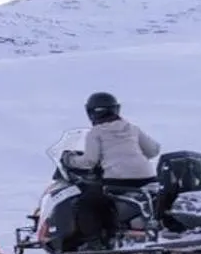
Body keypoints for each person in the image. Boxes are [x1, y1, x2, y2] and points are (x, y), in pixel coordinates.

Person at [65, 93, 165, 246]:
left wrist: (70, 160)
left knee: (86, 201)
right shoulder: (132, 128)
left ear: (91, 112)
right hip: (147, 177)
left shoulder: (96, 132)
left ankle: (94, 240)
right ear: (116, 109)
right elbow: (153, 150)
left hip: (118, 180)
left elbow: (89, 161)